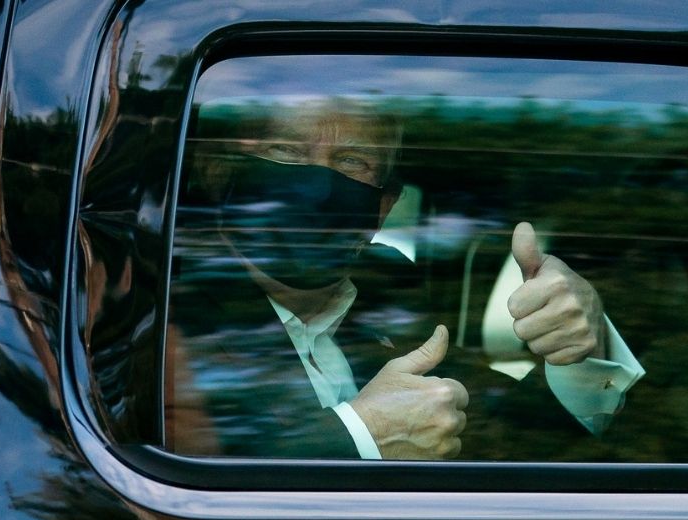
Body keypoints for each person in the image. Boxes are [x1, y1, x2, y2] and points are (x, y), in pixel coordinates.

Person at [165, 98, 643, 460]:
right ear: (217, 172)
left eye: (352, 161)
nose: (316, 183)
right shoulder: (161, 304)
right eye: (286, 151)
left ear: (383, 206)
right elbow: (170, 477)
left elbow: (526, 444)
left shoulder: (402, 296)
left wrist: (582, 350)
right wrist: (358, 439)